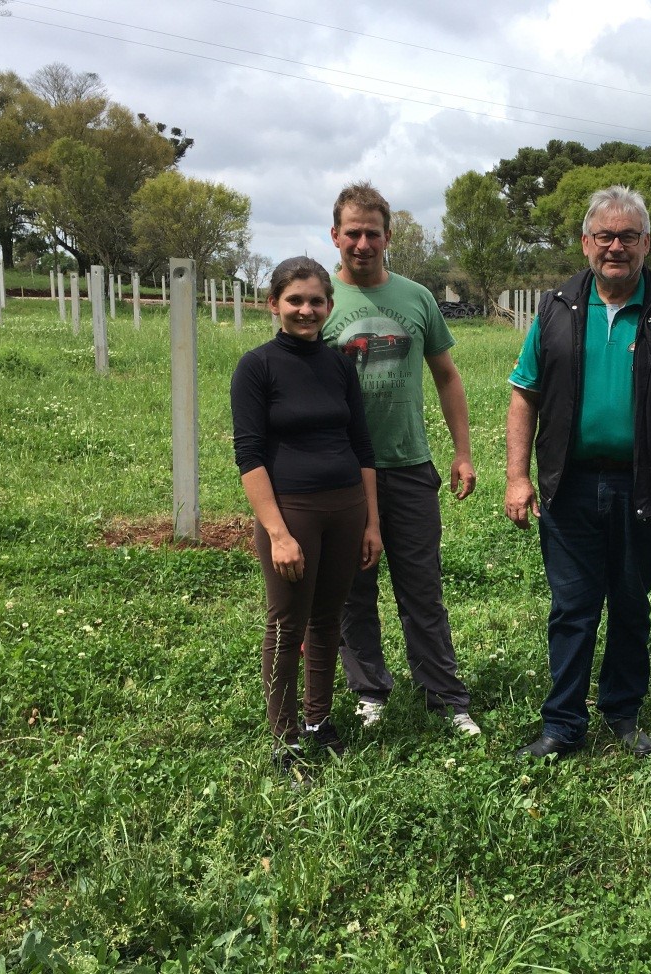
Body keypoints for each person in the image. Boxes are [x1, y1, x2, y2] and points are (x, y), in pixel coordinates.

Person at [505, 185, 651, 759]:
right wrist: (517, 476)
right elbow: (524, 394)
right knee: (572, 607)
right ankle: (563, 725)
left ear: (646, 242)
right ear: (586, 243)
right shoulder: (554, 308)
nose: (616, 247)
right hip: (568, 484)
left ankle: (623, 713)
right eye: (605, 236)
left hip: (642, 485)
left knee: (630, 602)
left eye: (629, 236)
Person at [323, 182, 481, 737]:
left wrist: (462, 453)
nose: (362, 243)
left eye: (372, 233)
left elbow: (447, 376)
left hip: (409, 465)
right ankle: (369, 691)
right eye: (352, 233)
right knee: (352, 588)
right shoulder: (317, 301)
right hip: (339, 473)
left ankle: (445, 696)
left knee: (422, 586)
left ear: (388, 237)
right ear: (335, 235)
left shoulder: (417, 298)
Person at [231, 257, 383, 782]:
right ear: (273, 304)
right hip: (291, 513)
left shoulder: (340, 364)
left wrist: (371, 523)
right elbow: (249, 456)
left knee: (327, 620)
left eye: (316, 301)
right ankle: (284, 736)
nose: (306, 310)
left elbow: (362, 446)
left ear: (329, 306)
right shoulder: (257, 367)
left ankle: (319, 721)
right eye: (294, 300)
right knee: (286, 622)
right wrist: (277, 533)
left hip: (346, 507)